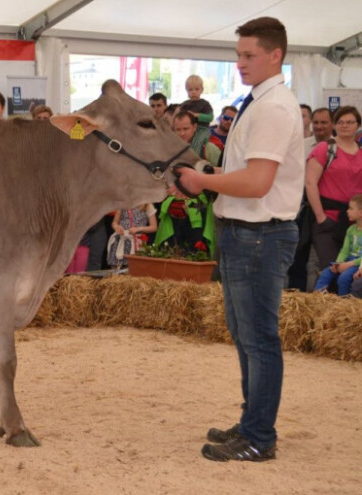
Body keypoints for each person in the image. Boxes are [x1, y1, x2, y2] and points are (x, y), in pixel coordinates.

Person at [173, 16, 304, 462]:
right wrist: (203, 176)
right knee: (247, 335)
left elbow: (258, 183)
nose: (241, 62)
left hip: (259, 235)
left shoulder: (271, 106)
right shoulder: (257, 101)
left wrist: (203, 181)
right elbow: (245, 175)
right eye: (238, 54)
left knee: (258, 338)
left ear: (275, 55)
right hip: (245, 233)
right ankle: (252, 423)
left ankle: (259, 437)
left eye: (249, 55)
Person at [305, 106, 362, 275]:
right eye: (341, 122)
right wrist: (320, 217)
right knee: (329, 268)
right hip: (328, 218)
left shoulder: (360, 153)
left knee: (349, 270)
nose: (345, 126)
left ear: (357, 125)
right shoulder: (325, 149)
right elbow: (310, 183)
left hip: (354, 221)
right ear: (335, 126)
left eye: (350, 122)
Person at [288, 107, 335, 291]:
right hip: (301, 207)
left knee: (322, 259)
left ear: (332, 124)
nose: (319, 126)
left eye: (324, 122)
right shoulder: (301, 145)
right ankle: (296, 297)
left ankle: (321, 296)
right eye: (316, 122)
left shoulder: (338, 147)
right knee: (297, 256)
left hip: (327, 209)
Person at [313, 194, 362, 295]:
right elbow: (344, 250)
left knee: (343, 278)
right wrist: (338, 263)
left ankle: (343, 303)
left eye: (351, 208)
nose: (347, 211)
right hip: (348, 261)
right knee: (326, 273)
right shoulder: (350, 229)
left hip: (357, 263)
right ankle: (317, 296)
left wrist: (347, 265)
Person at [107, 204, 157, 269]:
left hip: (137, 242)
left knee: (136, 268)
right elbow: (114, 223)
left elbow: (154, 227)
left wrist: (138, 229)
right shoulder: (123, 204)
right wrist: (117, 227)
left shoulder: (147, 205)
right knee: (116, 267)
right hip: (121, 241)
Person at [179, 75, 215, 160]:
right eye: (190, 90)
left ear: (201, 89)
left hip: (201, 129)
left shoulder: (204, 104)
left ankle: (194, 160)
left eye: (196, 89)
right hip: (187, 129)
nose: (193, 92)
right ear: (186, 90)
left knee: (197, 141)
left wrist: (196, 115)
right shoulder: (184, 104)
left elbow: (210, 117)